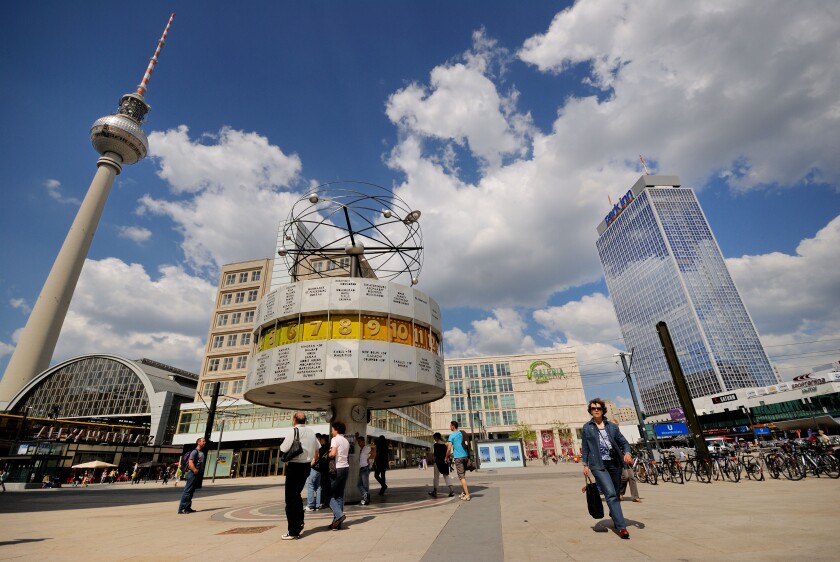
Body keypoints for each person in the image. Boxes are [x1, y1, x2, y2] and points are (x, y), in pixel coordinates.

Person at [581, 398, 633, 539]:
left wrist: (627, 453)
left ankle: (614, 513)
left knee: (615, 494)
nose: (596, 410)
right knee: (610, 493)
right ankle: (622, 528)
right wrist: (585, 465)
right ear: (590, 411)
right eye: (593, 408)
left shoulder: (612, 427)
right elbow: (585, 448)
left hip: (614, 464)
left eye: (598, 408)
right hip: (598, 465)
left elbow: (624, 443)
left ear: (603, 410)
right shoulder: (587, 428)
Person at [280, 412, 320, 540]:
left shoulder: (293, 431)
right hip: (306, 467)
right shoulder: (312, 432)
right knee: (296, 495)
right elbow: (317, 448)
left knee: (290, 499)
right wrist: (312, 461)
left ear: (294, 421)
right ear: (305, 421)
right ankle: (299, 522)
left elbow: (284, 448)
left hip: (295, 466)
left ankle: (293, 530)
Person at [327, 420, 350, 530]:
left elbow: (333, 454)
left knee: (327, 494)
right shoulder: (346, 441)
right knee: (339, 495)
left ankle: (339, 515)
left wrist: (328, 453)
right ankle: (337, 523)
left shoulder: (335, 439)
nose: (331, 432)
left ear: (336, 429)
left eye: (332, 430)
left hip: (337, 469)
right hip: (346, 468)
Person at [177, 437, 206, 514]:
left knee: (191, 491)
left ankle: (187, 507)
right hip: (192, 473)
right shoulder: (194, 452)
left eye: (205, 441)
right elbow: (190, 462)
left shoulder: (201, 452)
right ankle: (181, 509)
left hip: (196, 474)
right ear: (198, 442)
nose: (205, 442)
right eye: (203, 441)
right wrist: (194, 470)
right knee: (187, 491)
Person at [447, 420, 471, 501]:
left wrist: (446, 456)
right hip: (466, 457)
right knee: (463, 476)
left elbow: (449, 448)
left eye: (450, 425)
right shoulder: (462, 433)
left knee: (461, 477)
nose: (449, 427)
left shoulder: (452, 435)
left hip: (459, 458)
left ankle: (467, 495)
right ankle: (463, 493)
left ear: (453, 426)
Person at [429, 432, 455, 498]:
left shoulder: (436, 445)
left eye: (434, 438)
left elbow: (435, 455)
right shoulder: (445, 445)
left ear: (437, 438)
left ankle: (435, 491)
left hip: (437, 463)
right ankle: (452, 491)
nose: (434, 439)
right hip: (444, 462)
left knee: (436, 477)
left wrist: (434, 461)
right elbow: (448, 454)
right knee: (446, 476)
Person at [304, 433, 323, 512]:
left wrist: (311, 465)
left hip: (314, 468)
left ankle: (311, 505)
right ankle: (317, 505)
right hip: (319, 469)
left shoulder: (315, 445)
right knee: (318, 487)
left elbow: (316, 456)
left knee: (310, 485)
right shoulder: (322, 446)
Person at [316, 433, 331, 509]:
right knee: (324, 485)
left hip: (323, 470)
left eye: (321, 439)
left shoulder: (322, 448)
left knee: (322, 486)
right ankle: (325, 500)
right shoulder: (328, 448)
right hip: (327, 469)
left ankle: (324, 500)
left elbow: (318, 458)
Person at [356, 436, 371, 505]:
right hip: (361, 468)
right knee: (359, 484)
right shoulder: (361, 449)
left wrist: (368, 459)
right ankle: (366, 495)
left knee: (365, 485)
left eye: (359, 441)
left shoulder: (366, 448)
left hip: (365, 468)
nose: (358, 443)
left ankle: (366, 499)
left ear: (363, 441)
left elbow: (373, 453)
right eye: (358, 442)